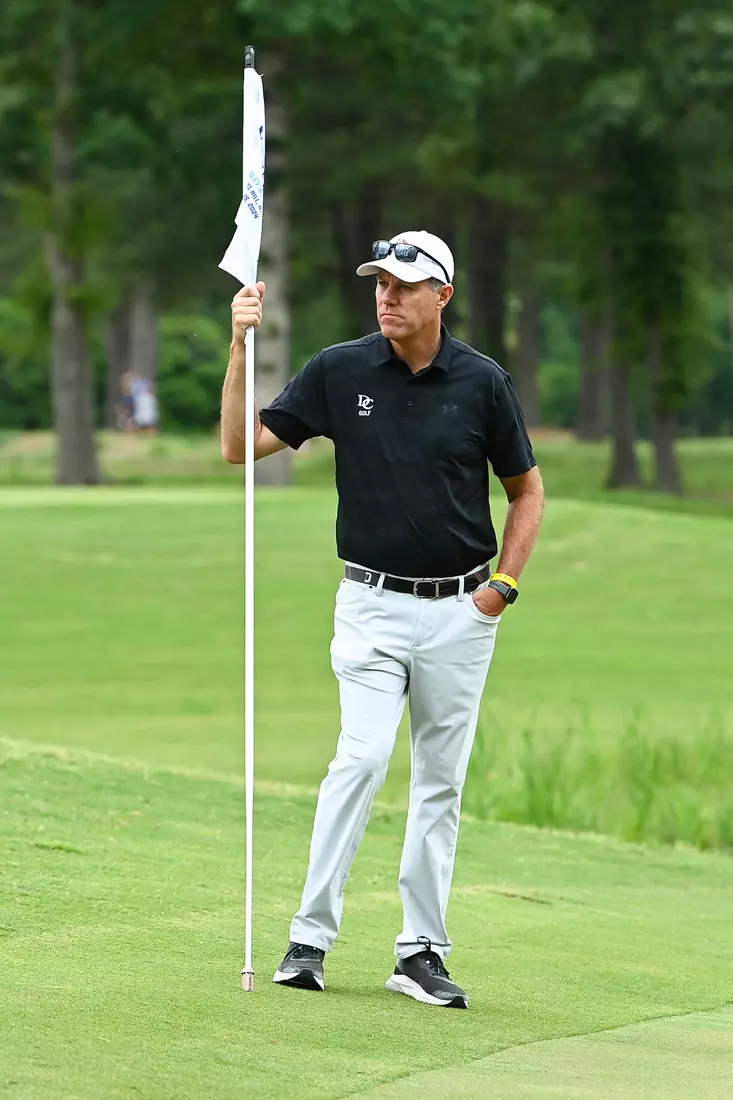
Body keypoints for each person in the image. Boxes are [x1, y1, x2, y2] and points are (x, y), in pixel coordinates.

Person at [221, 230, 545, 1009]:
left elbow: (525, 491)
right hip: (368, 605)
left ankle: (420, 952)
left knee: (440, 782)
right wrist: (239, 345)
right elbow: (238, 448)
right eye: (380, 283)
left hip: (460, 612)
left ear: (442, 295)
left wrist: (500, 586)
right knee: (360, 760)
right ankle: (309, 938)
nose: (386, 295)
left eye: (403, 284)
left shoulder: (482, 382)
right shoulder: (338, 370)